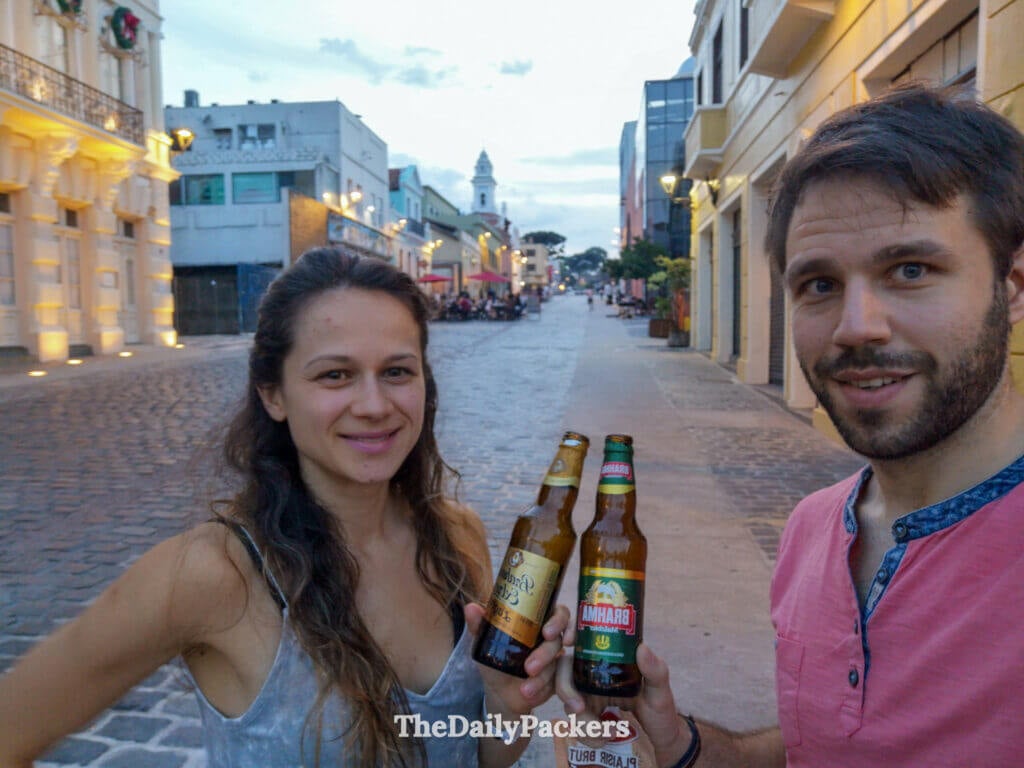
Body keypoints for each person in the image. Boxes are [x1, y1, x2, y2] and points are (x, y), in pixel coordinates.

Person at [557, 82, 1024, 766]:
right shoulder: (813, 528)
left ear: (1012, 286)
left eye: (911, 269)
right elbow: (824, 745)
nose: (856, 326)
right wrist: (683, 746)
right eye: (820, 285)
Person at [0, 247, 568, 767]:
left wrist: (504, 700)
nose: (374, 405)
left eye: (397, 371)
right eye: (335, 375)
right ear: (273, 393)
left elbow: (479, 755)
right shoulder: (212, 573)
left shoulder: (458, 536)